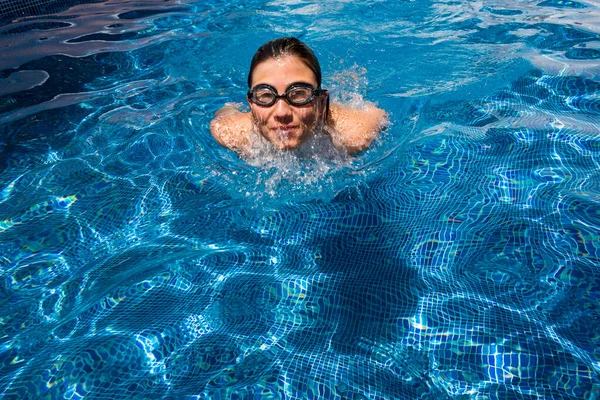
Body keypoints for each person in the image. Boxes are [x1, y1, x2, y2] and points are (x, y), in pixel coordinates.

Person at [210, 37, 387, 156]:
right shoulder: (230, 133)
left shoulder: (354, 134)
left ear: (321, 100)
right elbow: (221, 118)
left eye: (299, 94)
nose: (281, 112)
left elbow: (379, 115)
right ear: (251, 104)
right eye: (265, 95)